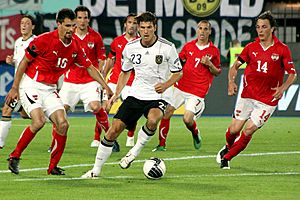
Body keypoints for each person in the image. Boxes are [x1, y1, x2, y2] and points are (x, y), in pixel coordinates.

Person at [5, 8, 113, 176]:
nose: (72, 29)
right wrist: (14, 87)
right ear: (59, 24)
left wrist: (105, 85)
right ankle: (15, 156)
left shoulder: (75, 46)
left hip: (50, 88)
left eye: (74, 26)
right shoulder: (44, 40)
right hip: (31, 84)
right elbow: (24, 62)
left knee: (63, 124)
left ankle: (52, 167)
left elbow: (90, 67)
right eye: (68, 25)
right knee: (38, 121)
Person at [81, 11, 182, 178]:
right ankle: (95, 170)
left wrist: (165, 85)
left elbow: (178, 72)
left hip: (159, 95)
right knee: (114, 130)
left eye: (149, 27)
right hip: (136, 93)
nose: (146, 31)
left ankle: (134, 152)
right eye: (142, 27)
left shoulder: (167, 47)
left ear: (155, 28)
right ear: (138, 28)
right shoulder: (130, 47)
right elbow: (124, 73)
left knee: (152, 119)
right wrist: (116, 94)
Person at [216, 11, 297, 169]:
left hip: (267, 100)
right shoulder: (251, 47)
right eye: (258, 27)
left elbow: (293, 74)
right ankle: (227, 146)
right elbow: (234, 67)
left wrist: (283, 87)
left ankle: (227, 158)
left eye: (264, 27)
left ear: (272, 29)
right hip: (247, 96)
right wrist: (231, 82)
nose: (260, 30)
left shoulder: (282, 49)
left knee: (249, 129)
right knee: (234, 130)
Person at [152, 20, 221, 152]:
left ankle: (195, 133)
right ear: (197, 30)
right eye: (200, 28)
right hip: (181, 87)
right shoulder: (188, 46)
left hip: (197, 91)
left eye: (205, 29)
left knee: (187, 119)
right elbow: (178, 63)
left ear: (209, 31)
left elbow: (217, 72)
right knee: (166, 112)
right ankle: (161, 144)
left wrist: (209, 64)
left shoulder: (213, 51)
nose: (202, 31)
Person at [56, 6, 111, 151]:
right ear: (75, 20)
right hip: (70, 80)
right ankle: (54, 144)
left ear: (89, 19)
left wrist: (101, 76)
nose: (82, 21)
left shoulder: (95, 36)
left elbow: (101, 59)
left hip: (90, 81)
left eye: (85, 17)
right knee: (60, 111)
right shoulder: (69, 35)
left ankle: (110, 137)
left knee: (96, 106)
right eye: (79, 18)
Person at [98, 13, 139, 149]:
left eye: (134, 23)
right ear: (125, 25)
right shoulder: (117, 41)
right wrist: (104, 73)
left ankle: (130, 135)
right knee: (104, 108)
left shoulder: (140, 43)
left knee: (131, 112)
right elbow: (111, 58)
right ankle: (99, 138)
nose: (132, 25)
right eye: (129, 22)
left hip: (131, 81)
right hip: (114, 80)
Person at [0, 14, 36, 149]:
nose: (24, 25)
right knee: (24, 114)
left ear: (32, 26)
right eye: (22, 23)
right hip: (18, 83)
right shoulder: (18, 42)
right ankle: (46, 116)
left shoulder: (36, 42)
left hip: (28, 84)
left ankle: (0, 143)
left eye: (27, 23)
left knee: (6, 109)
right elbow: (19, 61)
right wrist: (12, 61)